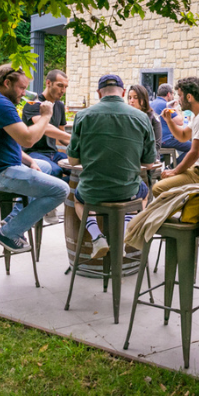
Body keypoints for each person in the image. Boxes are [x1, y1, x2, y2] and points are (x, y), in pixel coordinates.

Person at [0, 64, 70, 252]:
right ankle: (9, 232)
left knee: (43, 166)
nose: (24, 93)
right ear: (6, 83)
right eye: (21, 87)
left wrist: (30, 161)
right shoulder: (0, 104)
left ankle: (13, 218)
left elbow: (5, 142)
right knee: (61, 190)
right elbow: (28, 139)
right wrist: (46, 115)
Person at [67, 75, 156, 259]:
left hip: (92, 192)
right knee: (145, 193)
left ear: (99, 93)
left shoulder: (82, 116)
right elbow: (148, 163)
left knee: (77, 199)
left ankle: (97, 236)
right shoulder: (141, 117)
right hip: (127, 191)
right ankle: (123, 235)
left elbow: (73, 161)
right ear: (123, 93)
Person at [153, 77, 199, 197]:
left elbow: (195, 152)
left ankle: (182, 212)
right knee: (164, 183)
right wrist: (169, 121)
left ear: (189, 97)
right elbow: (183, 136)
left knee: (158, 188)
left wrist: (175, 171)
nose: (178, 100)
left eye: (180, 95)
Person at [22, 70, 71, 181]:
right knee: (55, 171)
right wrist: (72, 137)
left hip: (54, 153)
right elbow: (45, 128)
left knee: (82, 170)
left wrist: (81, 145)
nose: (63, 90)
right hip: (33, 153)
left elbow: (61, 135)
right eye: (60, 86)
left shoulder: (59, 105)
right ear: (48, 83)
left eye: (65, 87)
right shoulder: (34, 103)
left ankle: (69, 195)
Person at [151, 83, 191, 165]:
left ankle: (166, 167)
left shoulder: (152, 103)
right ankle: (172, 167)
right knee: (193, 147)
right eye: (173, 94)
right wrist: (175, 108)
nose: (173, 96)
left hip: (156, 139)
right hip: (166, 139)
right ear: (169, 94)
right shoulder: (165, 105)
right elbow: (180, 122)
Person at [128, 84, 162, 159]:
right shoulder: (127, 117)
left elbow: (157, 144)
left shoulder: (153, 117)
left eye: (135, 97)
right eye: (130, 98)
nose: (131, 101)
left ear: (143, 99)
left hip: (149, 158)